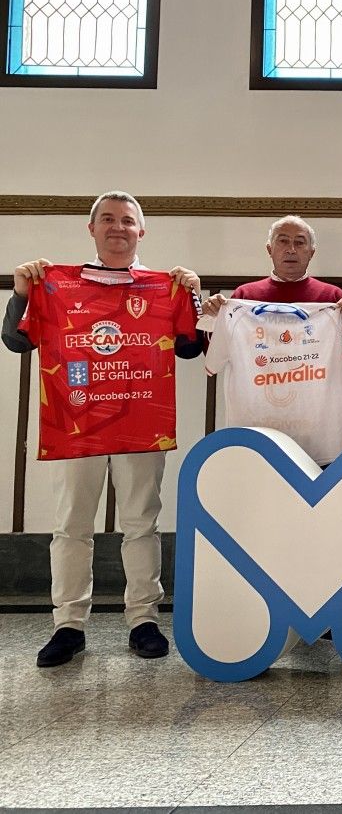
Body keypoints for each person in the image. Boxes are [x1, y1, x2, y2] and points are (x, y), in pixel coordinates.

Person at [2, 191, 203, 667]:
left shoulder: (164, 287)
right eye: (108, 220)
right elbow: (14, 340)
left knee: (142, 524)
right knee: (71, 527)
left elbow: (191, 348)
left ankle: (144, 620)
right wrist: (20, 293)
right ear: (90, 230)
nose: (118, 228)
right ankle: (68, 626)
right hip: (76, 423)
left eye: (128, 221)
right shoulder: (53, 284)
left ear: (141, 231)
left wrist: (192, 293)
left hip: (141, 423)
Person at [201, 215, 342, 360]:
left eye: (299, 243)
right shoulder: (244, 295)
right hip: (257, 396)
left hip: (316, 397)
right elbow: (214, 354)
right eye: (283, 241)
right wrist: (213, 319)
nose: (291, 250)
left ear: (311, 252)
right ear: (270, 249)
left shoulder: (332, 296)